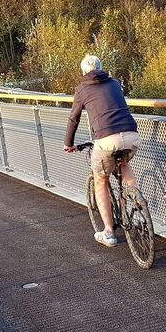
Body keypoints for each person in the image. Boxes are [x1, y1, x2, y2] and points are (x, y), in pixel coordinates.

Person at [63, 55, 141, 247]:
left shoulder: (82, 89)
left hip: (106, 140)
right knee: (123, 164)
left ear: (83, 72)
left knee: (101, 180)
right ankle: (137, 201)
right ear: (101, 67)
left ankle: (108, 232)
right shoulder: (114, 83)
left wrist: (68, 143)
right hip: (132, 135)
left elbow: (74, 118)